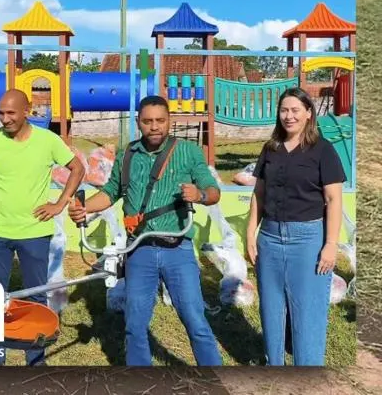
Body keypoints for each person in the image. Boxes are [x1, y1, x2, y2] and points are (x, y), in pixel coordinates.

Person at [67, 95, 222, 366]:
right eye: (148, 121)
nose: (154, 127)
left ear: (169, 121)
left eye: (160, 121)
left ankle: (215, 379)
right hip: (138, 250)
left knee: (195, 320)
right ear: (138, 122)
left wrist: (199, 195)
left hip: (178, 249)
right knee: (134, 324)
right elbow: (110, 192)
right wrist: (85, 208)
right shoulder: (128, 153)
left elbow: (214, 192)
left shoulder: (189, 152)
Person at [0, 89, 85, 366]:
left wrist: (60, 202)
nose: (4, 119)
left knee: (36, 295)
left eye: (11, 113)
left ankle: (35, 359)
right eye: (1, 113)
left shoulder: (48, 141)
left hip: (35, 232)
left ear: (27, 111)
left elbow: (77, 167)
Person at [245, 87, 346, 366]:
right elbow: (259, 194)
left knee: (308, 313)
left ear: (308, 113)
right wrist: (250, 233)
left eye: (295, 110)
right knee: (271, 310)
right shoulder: (271, 149)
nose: (288, 116)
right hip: (270, 237)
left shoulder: (323, 151)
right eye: (284, 110)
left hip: (308, 240)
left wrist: (330, 244)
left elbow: (333, 199)